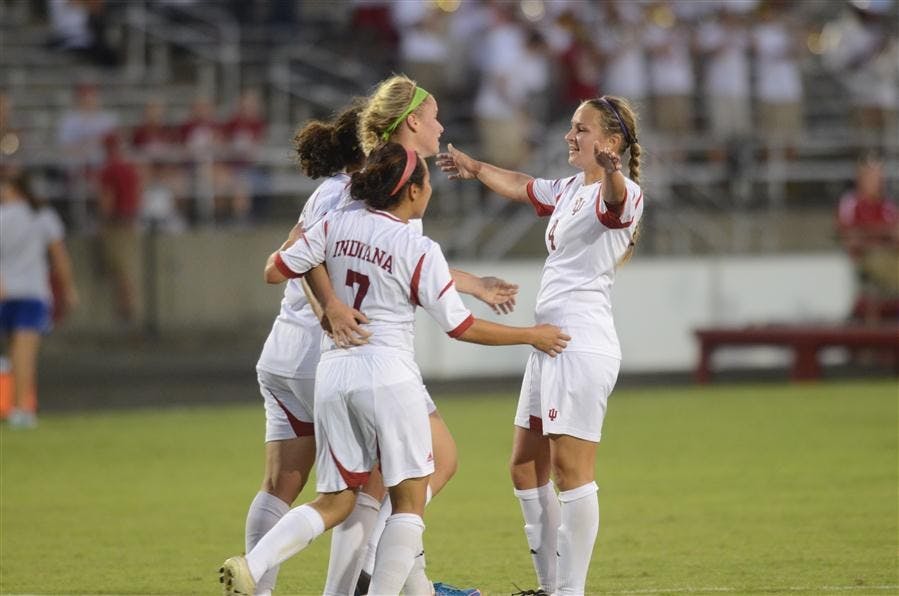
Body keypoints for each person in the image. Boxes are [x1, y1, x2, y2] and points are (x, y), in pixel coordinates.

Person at [220, 142, 570, 596]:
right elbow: (460, 326)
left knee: (336, 499)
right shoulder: (415, 245)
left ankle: (254, 562)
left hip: (334, 375)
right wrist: (531, 335)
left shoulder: (334, 223)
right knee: (407, 503)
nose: (430, 190)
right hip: (388, 375)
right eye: (426, 181)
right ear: (410, 192)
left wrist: (328, 302)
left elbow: (276, 269)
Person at [437, 95, 645, 595]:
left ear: (611, 142)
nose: (570, 136)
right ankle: (551, 587)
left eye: (582, 129)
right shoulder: (573, 188)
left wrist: (614, 174)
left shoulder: (622, 191)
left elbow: (617, 203)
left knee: (573, 472)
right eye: (571, 127)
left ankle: (569, 593)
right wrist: (474, 166)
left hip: (577, 344)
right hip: (549, 347)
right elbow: (525, 187)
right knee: (526, 466)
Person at [243, 102, 368, 596]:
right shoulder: (358, 196)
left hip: (281, 353)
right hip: (326, 355)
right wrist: (328, 307)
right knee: (379, 481)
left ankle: (257, 588)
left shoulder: (324, 192)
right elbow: (298, 263)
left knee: (279, 485)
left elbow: (277, 266)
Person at [0, 173, 78, 428]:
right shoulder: (44, 217)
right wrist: (68, 288)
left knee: (13, 353)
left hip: (5, 293)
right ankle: (23, 409)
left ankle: (13, 407)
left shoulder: (3, 217)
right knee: (25, 355)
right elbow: (59, 256)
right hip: (32, 293)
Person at [837, 154, 899, 325]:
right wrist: (882, 234)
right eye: (872, 176)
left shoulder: (887, 205)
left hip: (890, 256)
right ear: (861, 178)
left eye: (879, 176)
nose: (878, 180)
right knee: (878, 260)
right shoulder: (851, 203)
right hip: (867, 259)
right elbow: (850, 235)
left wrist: (877, 233)